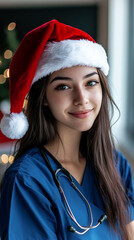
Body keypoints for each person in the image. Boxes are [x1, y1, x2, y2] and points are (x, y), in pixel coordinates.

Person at [0, 19, 134, 240]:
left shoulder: (115, 163)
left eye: (91, 83)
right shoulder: (27, 181)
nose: (82, 99)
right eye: (63, 86)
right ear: (44, 98)